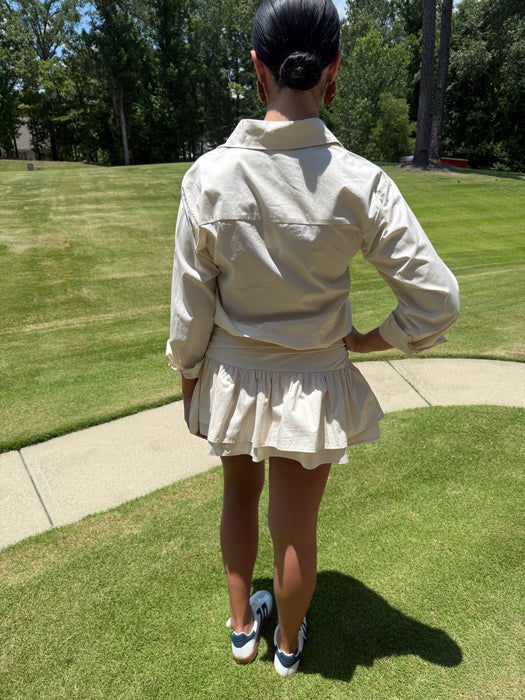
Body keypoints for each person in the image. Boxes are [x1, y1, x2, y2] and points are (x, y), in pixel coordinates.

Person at [166, 0, 459, 678]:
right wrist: (370, 341)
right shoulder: (361, 182)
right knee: (295, 527)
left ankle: (243, 630)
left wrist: (188, 377)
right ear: (333, 71)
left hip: (231, 376)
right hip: (314, 380)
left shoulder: (208, 176)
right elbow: (437, 300)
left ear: (256, 68)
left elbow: (190, 306)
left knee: (238, 498)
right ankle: (289, 646)